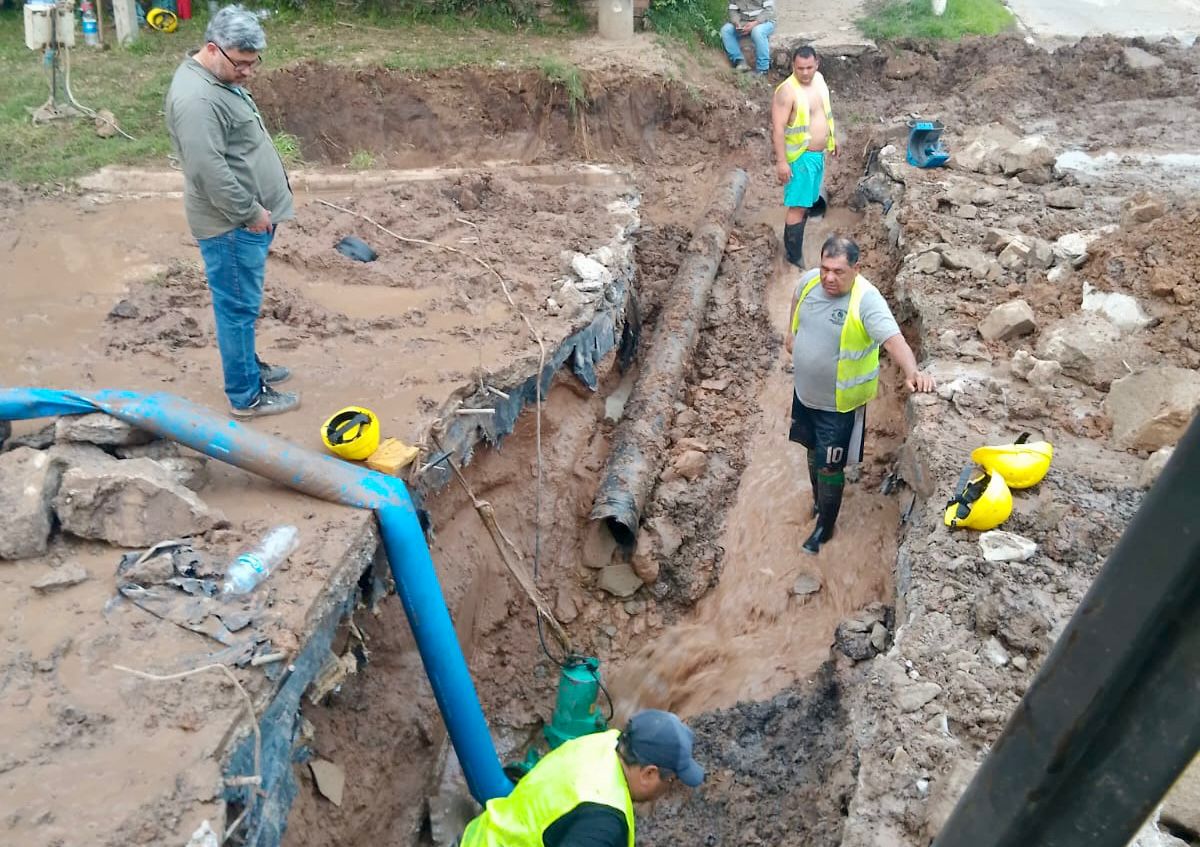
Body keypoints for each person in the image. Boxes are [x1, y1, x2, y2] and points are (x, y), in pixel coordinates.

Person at [165, 5, 300, 418]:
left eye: (253, 63)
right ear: (213, 49)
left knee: (242, 302)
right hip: (231, 224)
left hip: (246, 218)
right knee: (237, 307)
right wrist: (250, 213)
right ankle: (246, 395)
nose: (248, 72)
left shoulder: (216, 77)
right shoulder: (197, 99)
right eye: (241, 64)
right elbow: (208, 171)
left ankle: (247, 366)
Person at [785, 236, 936, 555]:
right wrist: (790, 332)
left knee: (830, 466)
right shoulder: (809, 282)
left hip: (838, 405)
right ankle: (818, 503)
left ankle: (824, 528)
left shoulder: (866, 301)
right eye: (825, 268)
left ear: (856, 268)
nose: (828, 277)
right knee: (811, 453)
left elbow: (894, 340)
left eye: (838, 271)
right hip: (805, 395)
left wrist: (912, 372)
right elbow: (796, 302)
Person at [460, 709, 705, 847]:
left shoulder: (605, 742)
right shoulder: (603, 823)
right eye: (670, 780)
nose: (668, 789)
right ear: (649, 773)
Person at [772, 46, 838, 269]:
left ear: (817, 64)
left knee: (808, 200)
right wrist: (782, 162)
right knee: (798, 206)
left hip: (817, 155)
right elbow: (778, 129)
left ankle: (799, 239)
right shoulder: (787, 92)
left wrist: (832, 138)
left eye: (809, 67)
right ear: (793, 66)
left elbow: (824, 112)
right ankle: (793, 256)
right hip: (800, 158)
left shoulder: (819, 80)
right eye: (800, 68)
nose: (805, 73)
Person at [720, 0, 776, 76]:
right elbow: (733, 9)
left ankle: (763, 69)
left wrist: (755, 23)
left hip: (765, 21)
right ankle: (739, 61)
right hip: (744, 20)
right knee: (726, 30)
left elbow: (769, 10)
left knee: (757, 32)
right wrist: (737, 23)